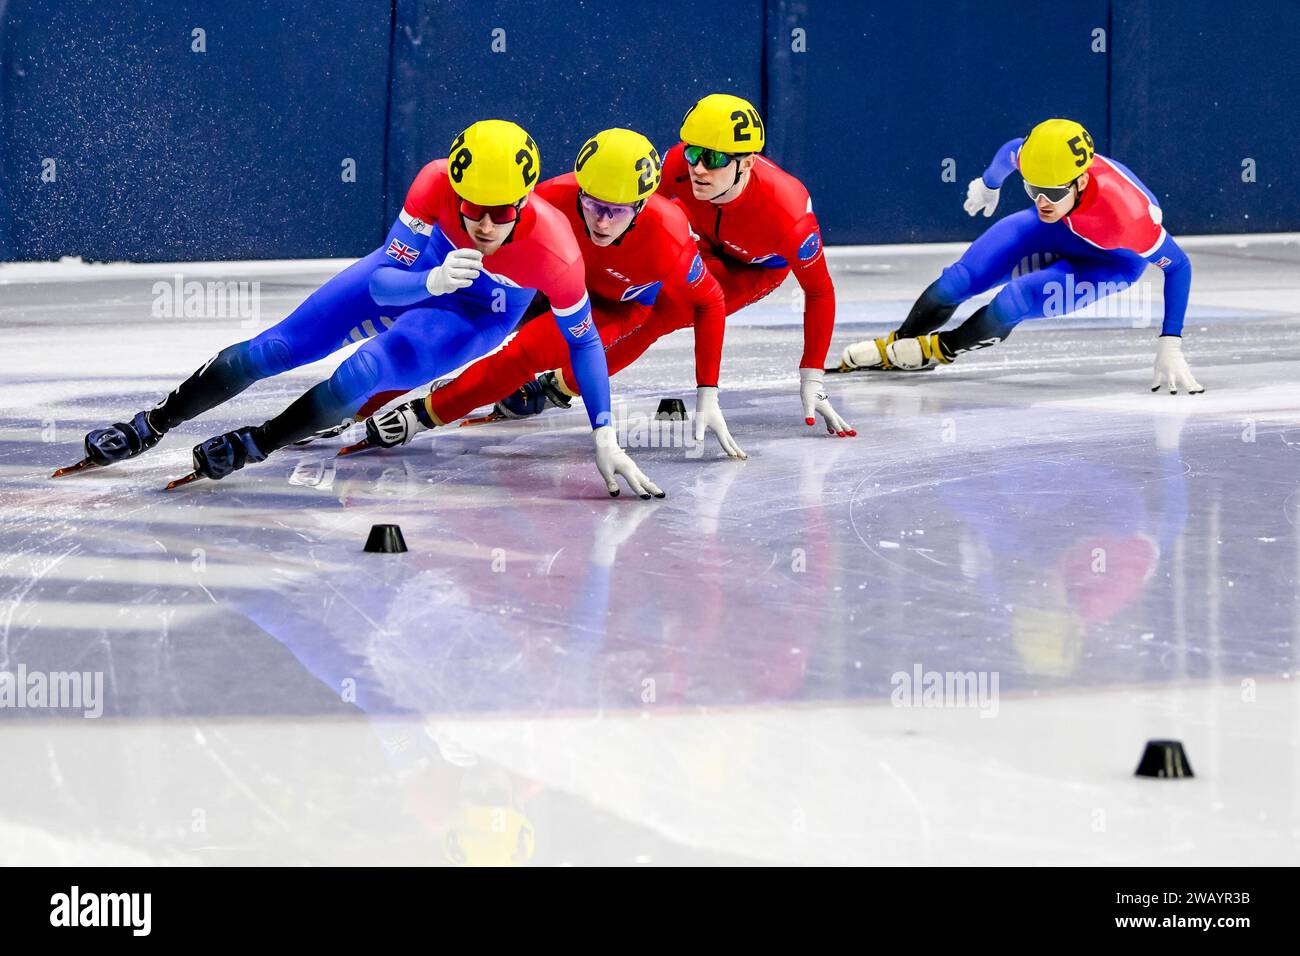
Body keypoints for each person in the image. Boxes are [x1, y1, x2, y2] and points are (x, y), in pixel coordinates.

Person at [61, 120, 661, 498]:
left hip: (476, 315)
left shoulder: (555, 253)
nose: (482, 223)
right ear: (452, 187)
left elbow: (583, 343)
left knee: (362, 375)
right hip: (414, 278)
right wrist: (428, 279)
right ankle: (152, 424)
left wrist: (604, 434)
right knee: (271, 350)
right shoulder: (431, 185)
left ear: (525, 202)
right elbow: (383, 286)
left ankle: (257, 443)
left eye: (501, 213)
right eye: (470, 207)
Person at [350, 127, 744, 459]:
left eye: (618, 211)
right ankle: (357, 403)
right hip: (549, 282)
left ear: (641, 206)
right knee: (452, 328)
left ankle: (423, 415)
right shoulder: (552, 197)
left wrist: (708, 391)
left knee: (526, 353)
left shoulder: (671, 236)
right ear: (578, 192)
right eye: (592, 204)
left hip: (611, 308)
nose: (603, 222)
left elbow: (711, 302)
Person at [528, 94, 855, 437]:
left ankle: (558, 387)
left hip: (749, 269)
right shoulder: (675, 166)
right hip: (701, 238)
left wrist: (812, 375)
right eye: (693, 152)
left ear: (746, 163)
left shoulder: (790, 217)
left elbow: (819, 291)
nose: (698, 168)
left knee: (658, 314)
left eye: (712, 158)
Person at [838, 118, 1204, 394]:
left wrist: (1170, 341)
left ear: (1080, 182)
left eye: (1051, 192)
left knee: (1014, 299)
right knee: (958, 280)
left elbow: (1180, 267)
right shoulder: (1039, 164)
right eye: (1032, 189)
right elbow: (1009, 152)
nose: (1041, 201)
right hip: (1059, 228)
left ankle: (939, 350)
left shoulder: (1130, 219)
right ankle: (898, 344)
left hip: (1109, 260)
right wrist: (988, 184)